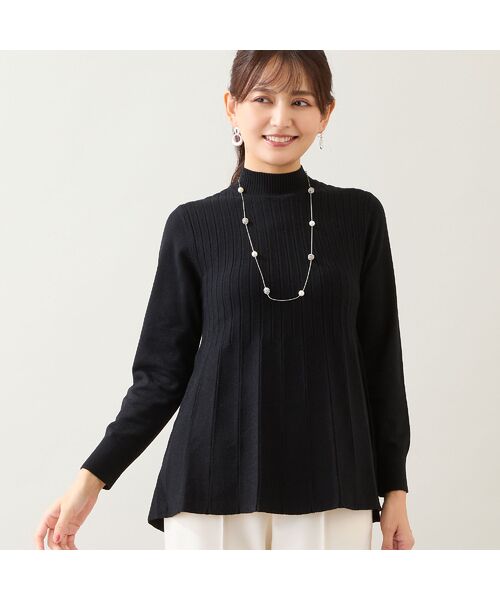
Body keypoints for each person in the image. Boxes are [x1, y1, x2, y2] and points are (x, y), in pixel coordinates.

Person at [34, 50, 414, 550]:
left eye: (300, 101)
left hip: (335, 481)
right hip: (208, 483)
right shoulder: (192, 225)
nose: (281, 118)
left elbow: (381, 363)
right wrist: (92, 478)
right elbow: (160, 376)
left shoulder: (359, 216)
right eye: (263, 99)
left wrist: (395, 488)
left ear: (326, 113)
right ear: (232, 107)